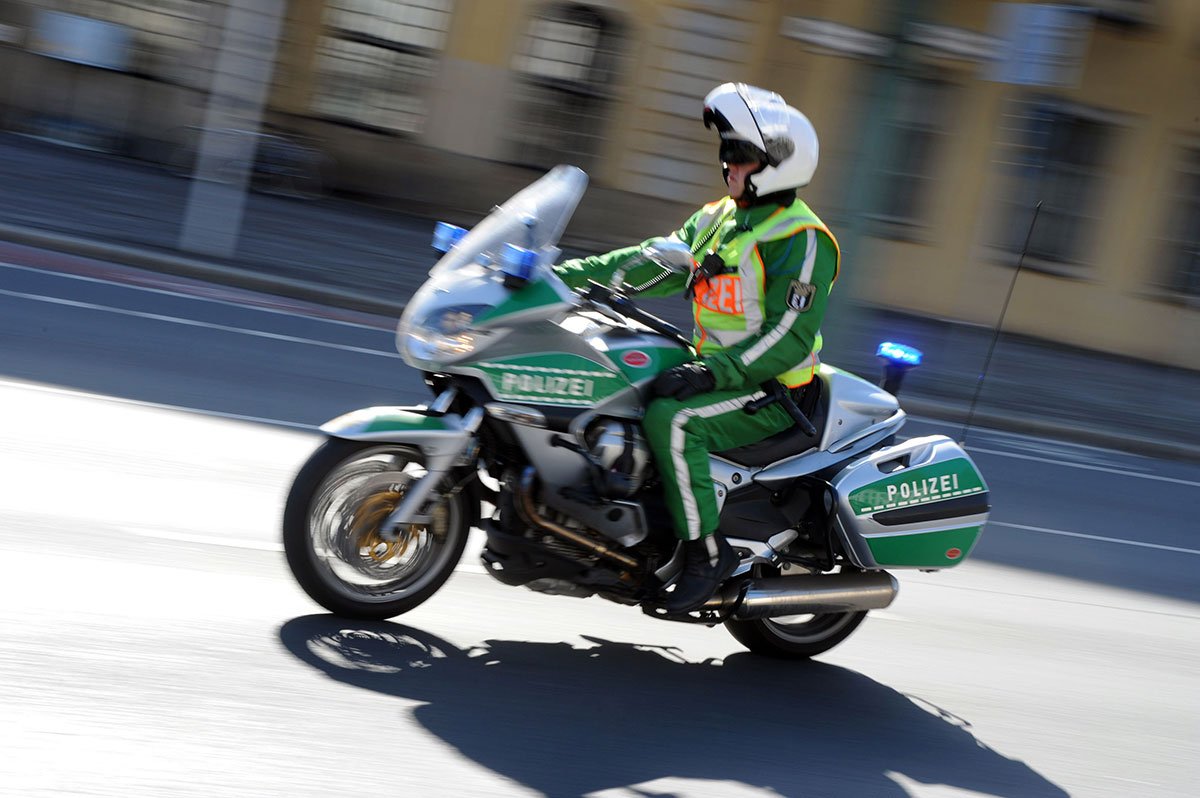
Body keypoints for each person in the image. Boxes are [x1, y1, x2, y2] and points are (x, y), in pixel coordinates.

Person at [554, 83, 841, 612]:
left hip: (772, 393)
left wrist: (714, 373)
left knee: (674, 419)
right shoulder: (718, 218)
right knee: (618, 379)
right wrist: (554, 278)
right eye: (725, 152)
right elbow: (649, 262)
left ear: (778, 162)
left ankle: (706, 555)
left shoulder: (801, 239)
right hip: (718, 370)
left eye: (739, 154)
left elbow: (788, 337)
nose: (727, 165)